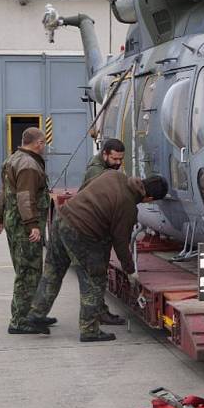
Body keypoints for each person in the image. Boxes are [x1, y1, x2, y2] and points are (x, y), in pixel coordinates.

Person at [26, 172, 168, 342]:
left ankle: (36, 313)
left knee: (53, 271)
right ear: (149, 198)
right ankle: (89, 330)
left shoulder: (115, 176)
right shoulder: (128, 206)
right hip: (81, 232)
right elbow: (121, 242)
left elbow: (86, 187)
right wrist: (130, 270)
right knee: (94, 280)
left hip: (62, 217)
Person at [0, 127, 51, 335]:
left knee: (29, 270)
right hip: (24, 226)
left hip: (13, 222)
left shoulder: (12, 159)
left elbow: (5, 192)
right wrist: (32, 225)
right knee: (28, 272)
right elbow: (25, 197)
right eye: (44, 143)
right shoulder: (28, 165)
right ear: (38, 143)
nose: (44, 147)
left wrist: (0, 218)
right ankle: (20, 320)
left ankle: (34, 314)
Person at [79, 138, 127, 326]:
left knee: (98, 277)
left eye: (120, 159)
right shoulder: (97, 173)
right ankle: (94, 317)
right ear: (105, 154)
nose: (118, 163)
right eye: (115, 159)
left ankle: (99, 311)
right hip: (92, 231)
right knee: (95, 278)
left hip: (96, 229)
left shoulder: (104, 168)